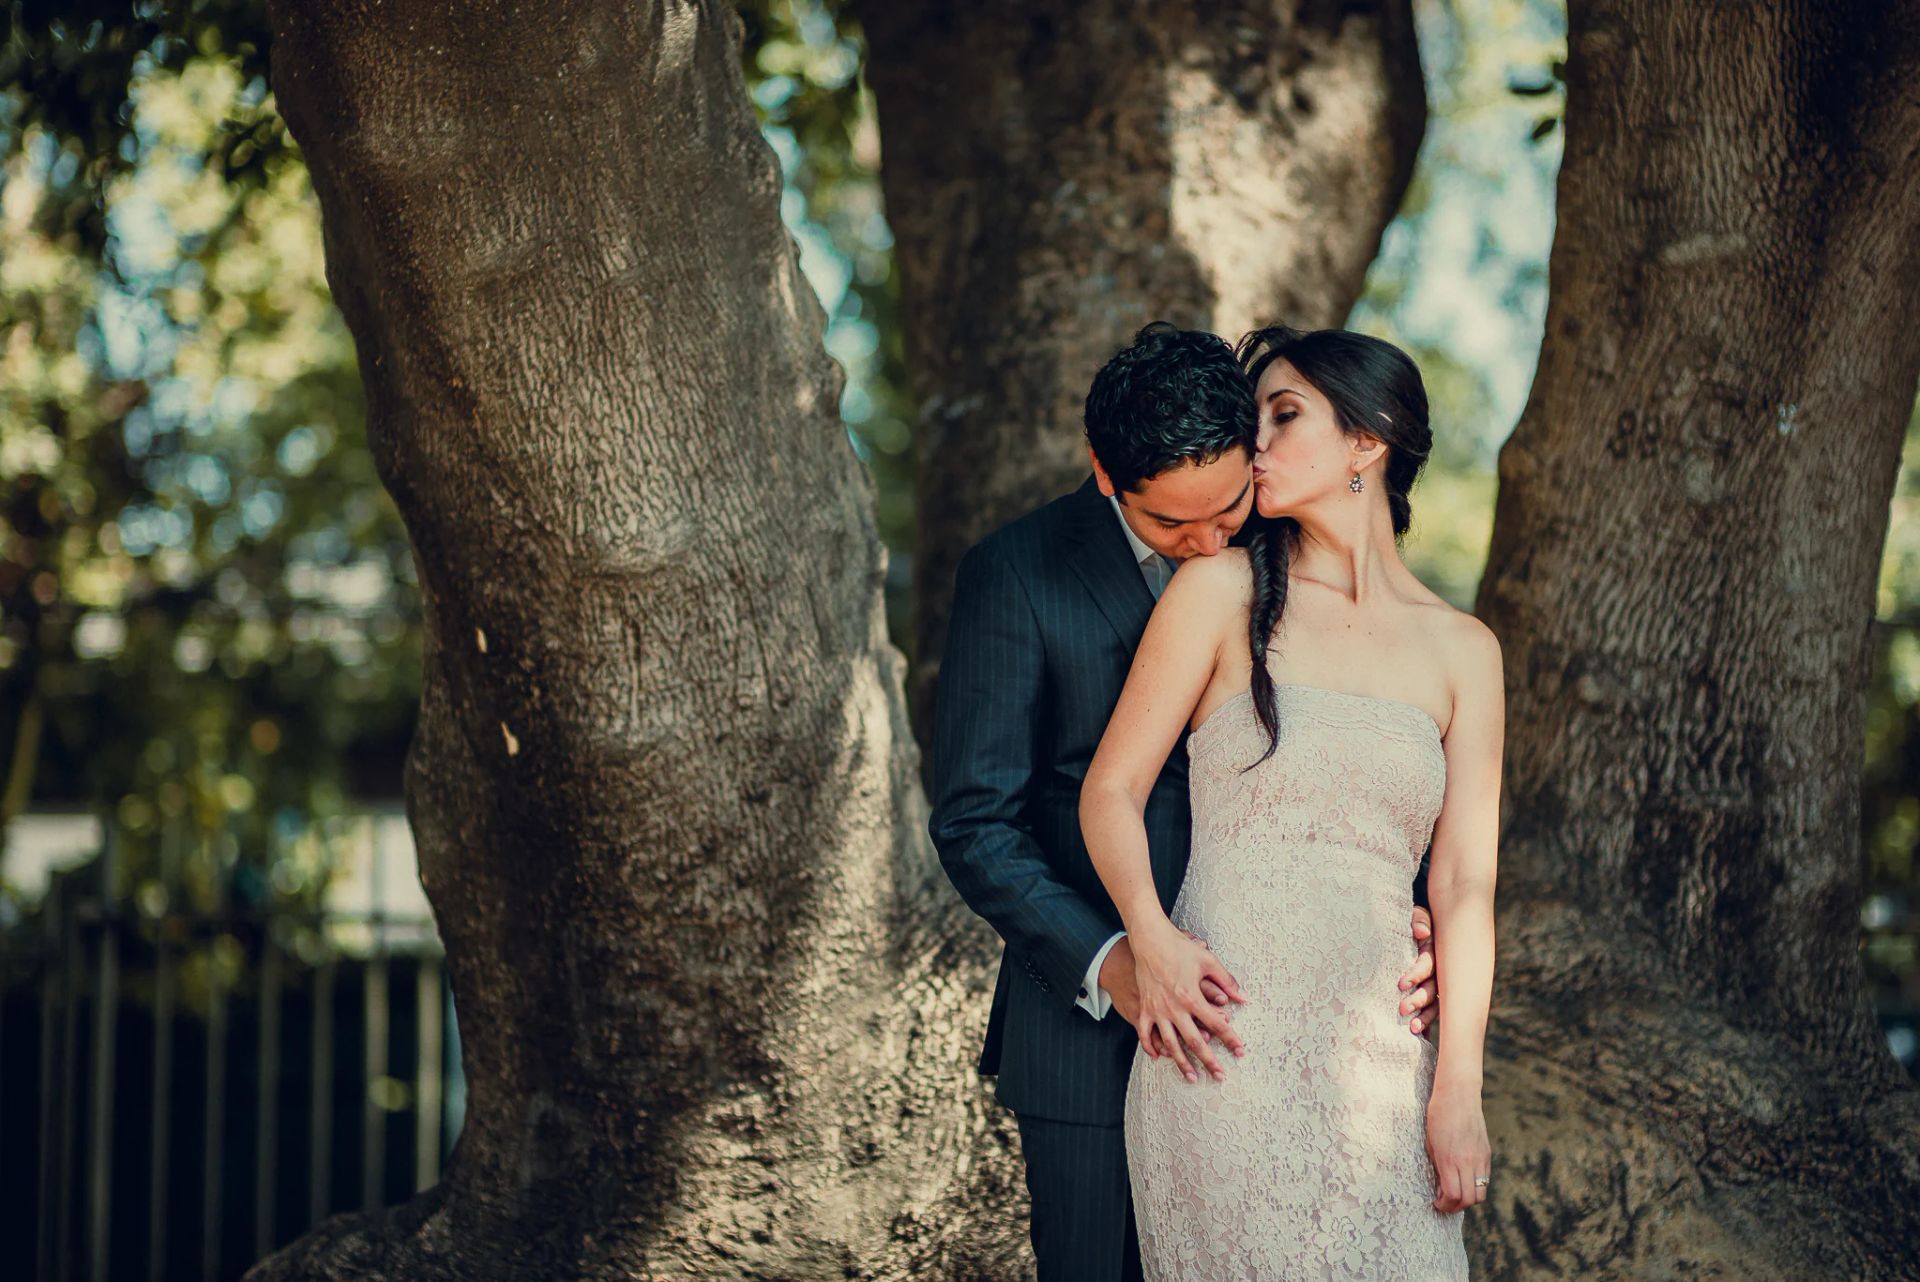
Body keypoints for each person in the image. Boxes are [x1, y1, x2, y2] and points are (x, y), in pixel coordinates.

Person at [929, 323, 1441, 1282]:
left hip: (1278, 1035)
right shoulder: (1018, 573)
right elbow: (972, 822)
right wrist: (1117, 959)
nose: (1211, 543)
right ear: (1104, 472)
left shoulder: (1297, 562)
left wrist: (1398, 915)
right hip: (1089, 1033)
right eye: (1173, 527)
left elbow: (1356, 762)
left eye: (1229, 510)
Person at [1079, 325, 1499, 1280]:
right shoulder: (1219, 590)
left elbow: (1466, 882)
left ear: (1369, 439)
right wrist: (1151, 936)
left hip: (1385, 1069)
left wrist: (1458, 1090)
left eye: (1283, 413)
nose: (1253, 442)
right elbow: (1111, 789)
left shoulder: (1465, 651)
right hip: (1225, 1045)